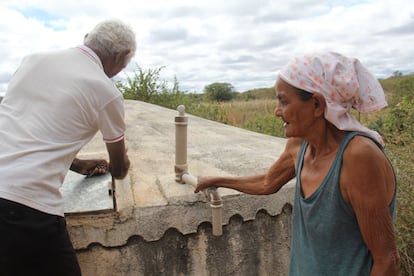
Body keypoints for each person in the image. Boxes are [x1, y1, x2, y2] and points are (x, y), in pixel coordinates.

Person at [195, 52, 400, 275]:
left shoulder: (358, 156)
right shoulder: (299, 145)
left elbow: (387, 260)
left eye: (283, 101)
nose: (276, 111)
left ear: (316, 104)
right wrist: (217, 181)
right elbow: (267, 183)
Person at [0, 19, 136, 275]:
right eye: (123, 65)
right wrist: (124, 158)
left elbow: (23, 128)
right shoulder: (106, 91)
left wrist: (77, 163)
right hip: (25, 206)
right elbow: (118, 170)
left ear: (88, 38)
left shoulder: (33, 61)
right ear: (122, 55)